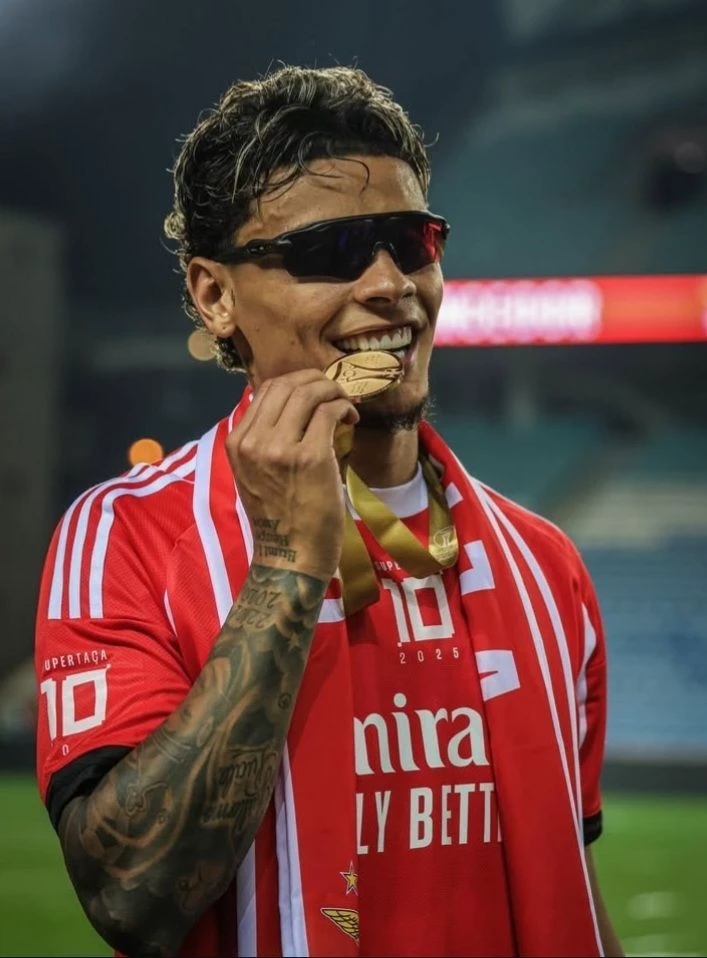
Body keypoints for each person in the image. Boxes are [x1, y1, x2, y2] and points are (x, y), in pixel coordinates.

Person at [34, 65, 623, 958]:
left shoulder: (545, 565)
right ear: (215, 296)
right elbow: (129, 898)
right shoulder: (126, 536)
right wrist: (284, 563)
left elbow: (571, 886)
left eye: (411, 241)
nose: (389, 283)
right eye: (329, 251)